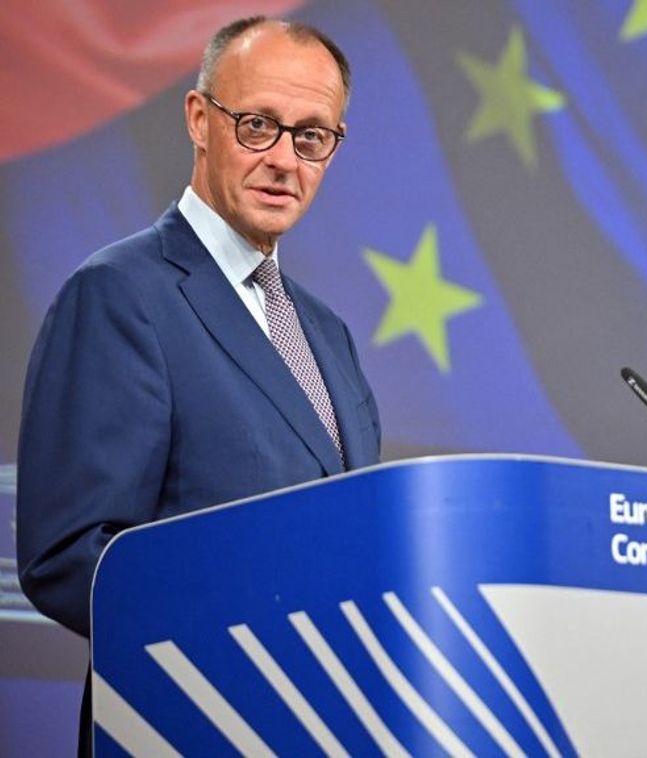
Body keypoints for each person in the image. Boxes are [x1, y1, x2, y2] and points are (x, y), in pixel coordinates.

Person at [16, 15, 380, 748]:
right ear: (198, 119)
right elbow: (68, 556)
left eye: (311, 137)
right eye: (258, 125)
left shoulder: (328, 335)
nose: (284, 160)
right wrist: (256, 630)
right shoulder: (119, 294)